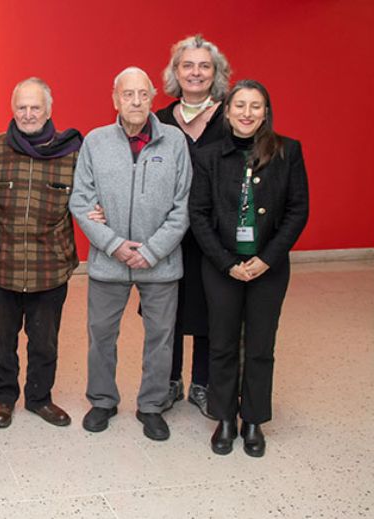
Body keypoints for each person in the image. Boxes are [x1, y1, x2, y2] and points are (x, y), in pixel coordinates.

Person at [69, 67, 192, 441]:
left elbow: (182, 206)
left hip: (161, 263)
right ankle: (102, 400)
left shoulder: (174, 142)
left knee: (161, 338)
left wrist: (151, 252)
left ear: (153, 96)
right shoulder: (95, 141)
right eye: (128, 95)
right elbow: (80, 200)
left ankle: (152, 405)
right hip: (109, 263)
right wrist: (114, 245)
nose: (135, 102)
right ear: (115, 98)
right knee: (101, 335)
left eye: (142, 94)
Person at [189, 79, 309, 457]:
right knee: (222, 343)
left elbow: (297, 211)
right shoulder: (208, 156)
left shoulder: (288, 151)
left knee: (260, 345)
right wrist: (226, 263)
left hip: (268, 267)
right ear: (226, 112)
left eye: (255, 106)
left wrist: (267, 258)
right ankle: (224, 418)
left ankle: (253, 420)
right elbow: (199, 215)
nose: (246, 113)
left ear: (266, 112)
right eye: (239, 106)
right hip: (221, 266)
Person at [0, 77, 82, 429]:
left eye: (35, 107)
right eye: (21, 107)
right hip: (4, 267)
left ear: (49, 111)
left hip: (50, 267)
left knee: (45, 343)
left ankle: (39, 399)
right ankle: (4, 398)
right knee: (2, 342)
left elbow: (87, 200)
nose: (28, 114)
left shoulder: (72, 152)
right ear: (13, 110)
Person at [155, 35, 233, 417]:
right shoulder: (161, 120)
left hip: (216, 235)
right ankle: (169, 381)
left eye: (204, 66)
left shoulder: (232, 116)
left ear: (215, 73)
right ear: (176, 72)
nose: (196, 72)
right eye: (188, 65)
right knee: (167, 309)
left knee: (210, 308)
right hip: (169, 235)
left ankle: (203, 383)